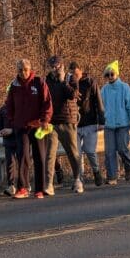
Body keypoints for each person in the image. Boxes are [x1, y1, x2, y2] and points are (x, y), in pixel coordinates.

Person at [5, 59, 53, 198]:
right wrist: (13, 121)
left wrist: (45, 120)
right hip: (21, 127)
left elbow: (47, 103)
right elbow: (9, 106)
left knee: (39, 156)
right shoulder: (14, 86)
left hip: (38, 126)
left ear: (30, 69)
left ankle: (40, 189)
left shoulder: (38, 82)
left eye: (25, 69)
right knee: (23, 156)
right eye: (20, 69)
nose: (23, 72)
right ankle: (23, 187)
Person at [45, 56, 84, 194]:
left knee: (72, 152)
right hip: (52, 122)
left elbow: (73, 95)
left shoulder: (69, 78)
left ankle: (77, 179)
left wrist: (62, 81)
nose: (54, 69)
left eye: (56, 66)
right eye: (52, 66)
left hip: (68, 120)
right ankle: (49, 184)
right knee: (50, 154)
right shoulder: (47, 81)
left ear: (61, 66)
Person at [100, 61, 130, 185]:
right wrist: (100, 119)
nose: (110, 77)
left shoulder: (124, 87)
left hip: (122, 124)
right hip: (109, 125)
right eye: (108, 75)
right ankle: (112, 176)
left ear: (116, 74)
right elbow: (100, 107)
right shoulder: (104, 90)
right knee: (109, 152)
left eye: (112, 74)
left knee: (122, 149)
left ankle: (128, 167)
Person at [76, 63, 106, 187]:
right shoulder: (69, 84)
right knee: (76, 153)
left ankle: (96, 171)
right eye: (72, 74)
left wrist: (101, 120)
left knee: (89, 151)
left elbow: (98, 101)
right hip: (75, 124)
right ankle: (79, 178)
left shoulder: (90, 82)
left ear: (81, 71)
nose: (75, 76)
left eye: (76, 74)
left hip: (90, 122)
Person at [0, 99, 18, 195]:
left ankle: (24, 185)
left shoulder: (21, 107)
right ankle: (11, 185)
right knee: (10, 164)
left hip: (20, 139)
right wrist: (0, 132)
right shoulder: (3, 109)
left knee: (23, 162)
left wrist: (12, 130)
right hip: (8, 140)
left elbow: (24, 124)